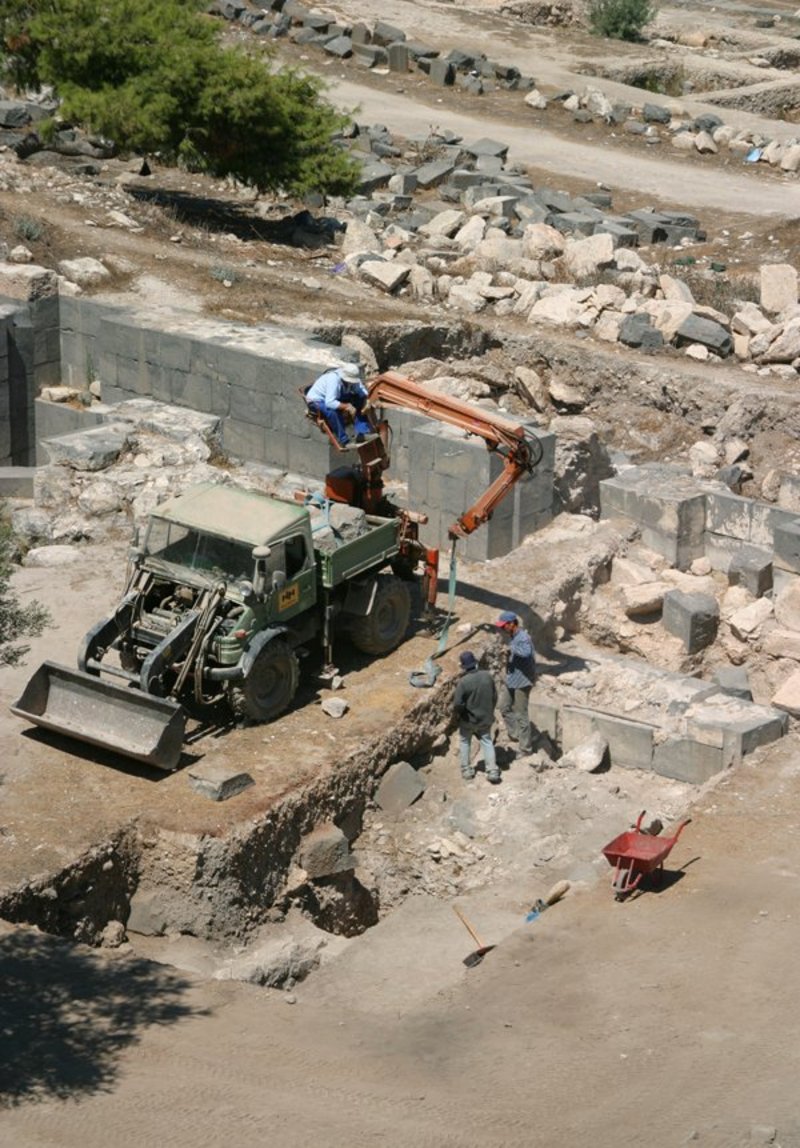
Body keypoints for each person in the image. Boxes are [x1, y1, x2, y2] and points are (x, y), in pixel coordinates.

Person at [453, 649, 500, 783]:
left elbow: (457, 704)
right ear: (475, 663)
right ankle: (492, 771)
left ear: (463, 666)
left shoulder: (463, 682)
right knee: (487, 741)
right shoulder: (487, 676)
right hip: (485, 718)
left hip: (468, 720)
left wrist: (460, 716)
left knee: (464, 741)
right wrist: (489, 712)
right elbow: (494, 696)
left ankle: (466, 770)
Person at [495, 610, 535, 756]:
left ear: (512, 624)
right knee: (504, 706)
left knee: (521, 715)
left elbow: (526, 653)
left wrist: (511, 648)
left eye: (504, 625)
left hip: (522, 682)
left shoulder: (523, 637)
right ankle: (516, 734)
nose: (502, 628)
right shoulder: (513, 635)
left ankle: (526, 749)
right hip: (512, 678)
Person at [305, 362, 372, 447]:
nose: (351, 383)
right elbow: (329, 402)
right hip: (317, 400)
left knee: (359, 400)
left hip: (336, 397)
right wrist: (347, 406)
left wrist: (366, 401)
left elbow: (360, 390)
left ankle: (362, 433)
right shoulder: (333, 379)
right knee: (332, 412)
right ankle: (344, 440)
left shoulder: (352, 380)